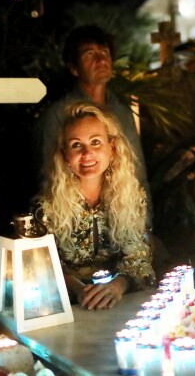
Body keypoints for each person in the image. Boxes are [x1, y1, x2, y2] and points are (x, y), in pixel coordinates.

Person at [37, 102, 156, 311]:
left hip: (120, 302)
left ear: (112, 148)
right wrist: (80, 289)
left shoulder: (131, 197)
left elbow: (138, 257)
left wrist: (117, 286)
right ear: (65, 154)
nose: (87, 153)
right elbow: (41, 265)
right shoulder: (47, 207)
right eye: (76, 145)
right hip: (69, 306)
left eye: (95, 142)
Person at [37, 25, 150, 217]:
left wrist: (145, 223)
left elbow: (137, 172)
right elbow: (47, 176)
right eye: (90, 54)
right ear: (73, 68)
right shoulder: (58, 114)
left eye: (105, 52)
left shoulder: (122, 112)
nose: (101, 60)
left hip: (122, 214)